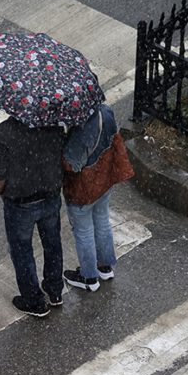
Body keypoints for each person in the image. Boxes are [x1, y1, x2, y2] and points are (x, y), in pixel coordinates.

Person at [0, 116, 66, 317]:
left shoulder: (5, 131)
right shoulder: (53, 123)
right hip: (50, 195)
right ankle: (55, 290)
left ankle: (34, 301)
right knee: (52, 243)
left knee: (22, 251)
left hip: (21, 202)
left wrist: (2, 191)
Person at [61, 103, 135, 291]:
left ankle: (89, 278)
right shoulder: (105, 112)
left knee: (83, 231)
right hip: (104, 182)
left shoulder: (82, 128)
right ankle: (105, 267)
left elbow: (72, 164)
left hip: (84, 189)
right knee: (102, 221)